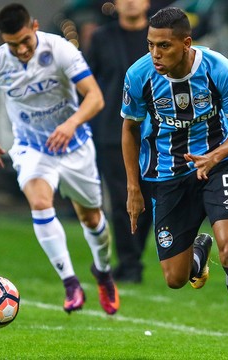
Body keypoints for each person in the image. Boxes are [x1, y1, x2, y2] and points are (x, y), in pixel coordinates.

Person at [121, 8, 228, 359]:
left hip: (217, 165)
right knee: (175, 279)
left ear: (186, 43)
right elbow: (129, 129)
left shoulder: (218, 69)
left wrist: (216, 156)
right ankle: (199, 249)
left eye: (164, 46)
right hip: (167, 175)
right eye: (151, 45)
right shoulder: (139, 75)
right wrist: (134, 188)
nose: (155, 54)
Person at [0, 3, 119, 315]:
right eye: (13, 44)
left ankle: (103, 272)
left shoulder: (59, 49)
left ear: (34, 26)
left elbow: (95, 96)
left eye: (25, 40)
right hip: (32, 148)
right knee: (39, 202)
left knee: (92, 218)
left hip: (75, 145)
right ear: (2, 39)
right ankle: (70, 283)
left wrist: (70, 123)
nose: (21, 49)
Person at [86, 0, 152, 284]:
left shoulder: (159, 36)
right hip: (113, 131)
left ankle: (132, 259)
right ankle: (130, 262)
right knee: (121, 198)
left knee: (150, 197)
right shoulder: (102, 37)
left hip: (155, 132)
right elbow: (88, 83)